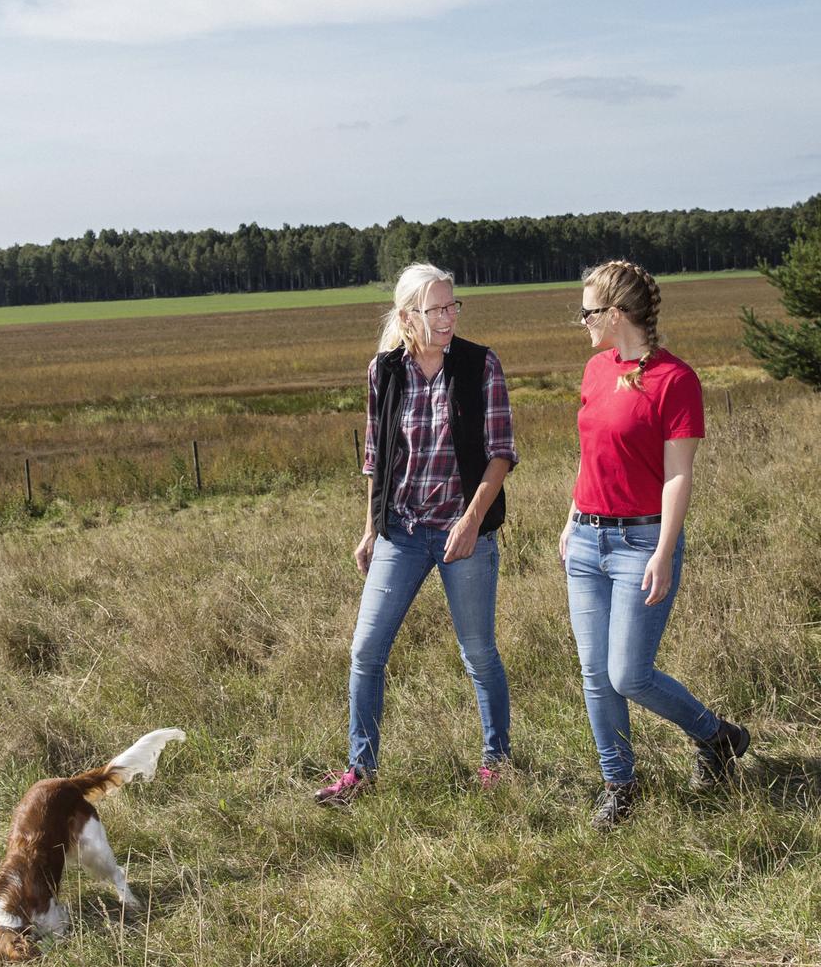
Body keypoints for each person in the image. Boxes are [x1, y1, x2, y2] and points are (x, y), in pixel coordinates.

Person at [315, 263, 517, 805]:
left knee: (478, 652)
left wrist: (472, 523)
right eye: (437, 309)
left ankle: (498, 761)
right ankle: (361, 771)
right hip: (400, 532)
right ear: (408, 317)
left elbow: (500, 454)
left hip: (464, 533)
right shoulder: (384, 372)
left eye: (454, 306)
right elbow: (376, 460)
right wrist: (370, 531)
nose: (449, 316)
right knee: (366, 651)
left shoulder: (481, 365)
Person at [559, 260, 750, 830]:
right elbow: (591, 455)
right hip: (588, 539)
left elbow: (677, 476)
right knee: (595, 674)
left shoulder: (676, 380)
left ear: (617, 315)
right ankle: (619, 782)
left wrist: (664, 551)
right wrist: (573, 519)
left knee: (627, 674)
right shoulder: (595, 370)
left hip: (642, 542)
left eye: (589, 311)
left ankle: (717, 736)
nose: (584, 321)